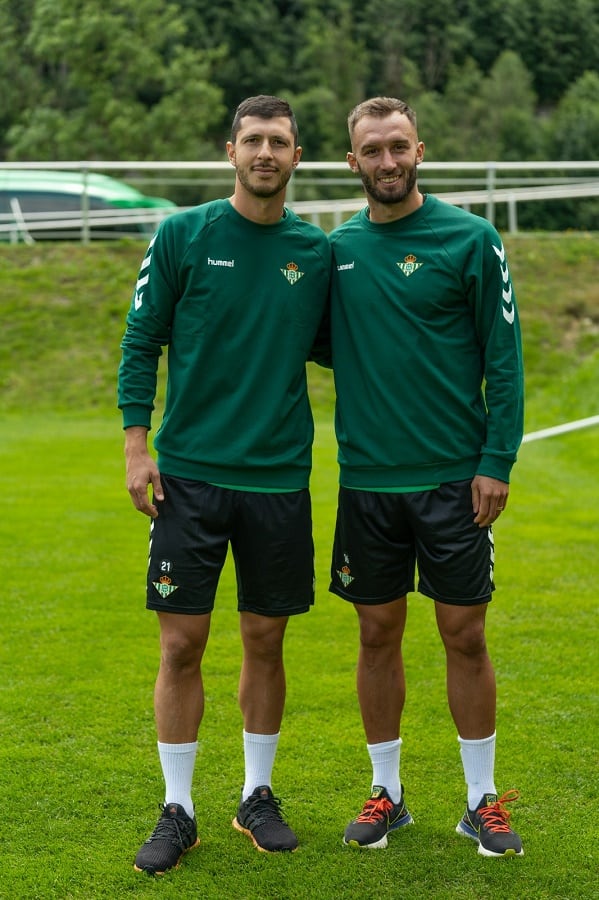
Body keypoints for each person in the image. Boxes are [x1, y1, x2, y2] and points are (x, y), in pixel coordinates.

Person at [118, 95, 331, 875]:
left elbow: (355, 347)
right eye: (253, 140)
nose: (265, 152)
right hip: (190, 478)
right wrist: (137, 448)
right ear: (230, 150)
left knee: (265, 639)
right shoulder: (184, 234)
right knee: (182, 643)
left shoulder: (316, 253)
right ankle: (178, 808)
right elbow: (141, 340)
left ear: (297, 155)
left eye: (279, 140)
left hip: (278, 480)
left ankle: (256, 794)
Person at [327, 97, 525, 858]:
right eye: (371, 150)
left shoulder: (471, 240)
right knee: (376, 633)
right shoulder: (334, 251)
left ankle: (481, 801)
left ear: (420, 151)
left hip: (453, 481)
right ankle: (388, 794)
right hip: (367, 483)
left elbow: (503, 360)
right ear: (351, 162)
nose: (386, 162)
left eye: (398, 147)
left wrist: (494, 461)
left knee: (463, 633)